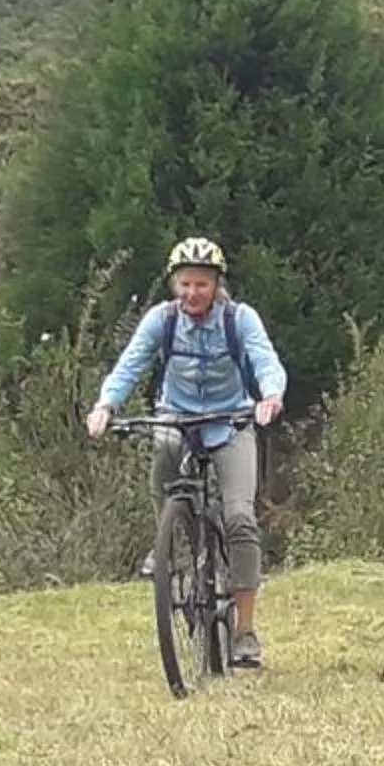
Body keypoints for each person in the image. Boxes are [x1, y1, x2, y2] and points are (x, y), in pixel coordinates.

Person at [86, 237, 287, 668]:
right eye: (184, 284)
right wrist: (105, 405)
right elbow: (131, 363)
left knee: (239, 519)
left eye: (201, 285)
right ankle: (171, 542)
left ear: (216, 285)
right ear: (174, 284)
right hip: (176, 415)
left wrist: (271, 395)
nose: (192, 294)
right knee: (163, 446)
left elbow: (265, 359)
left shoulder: (240, 319)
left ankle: (245, 632)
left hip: (231, 421)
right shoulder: (161, 320)